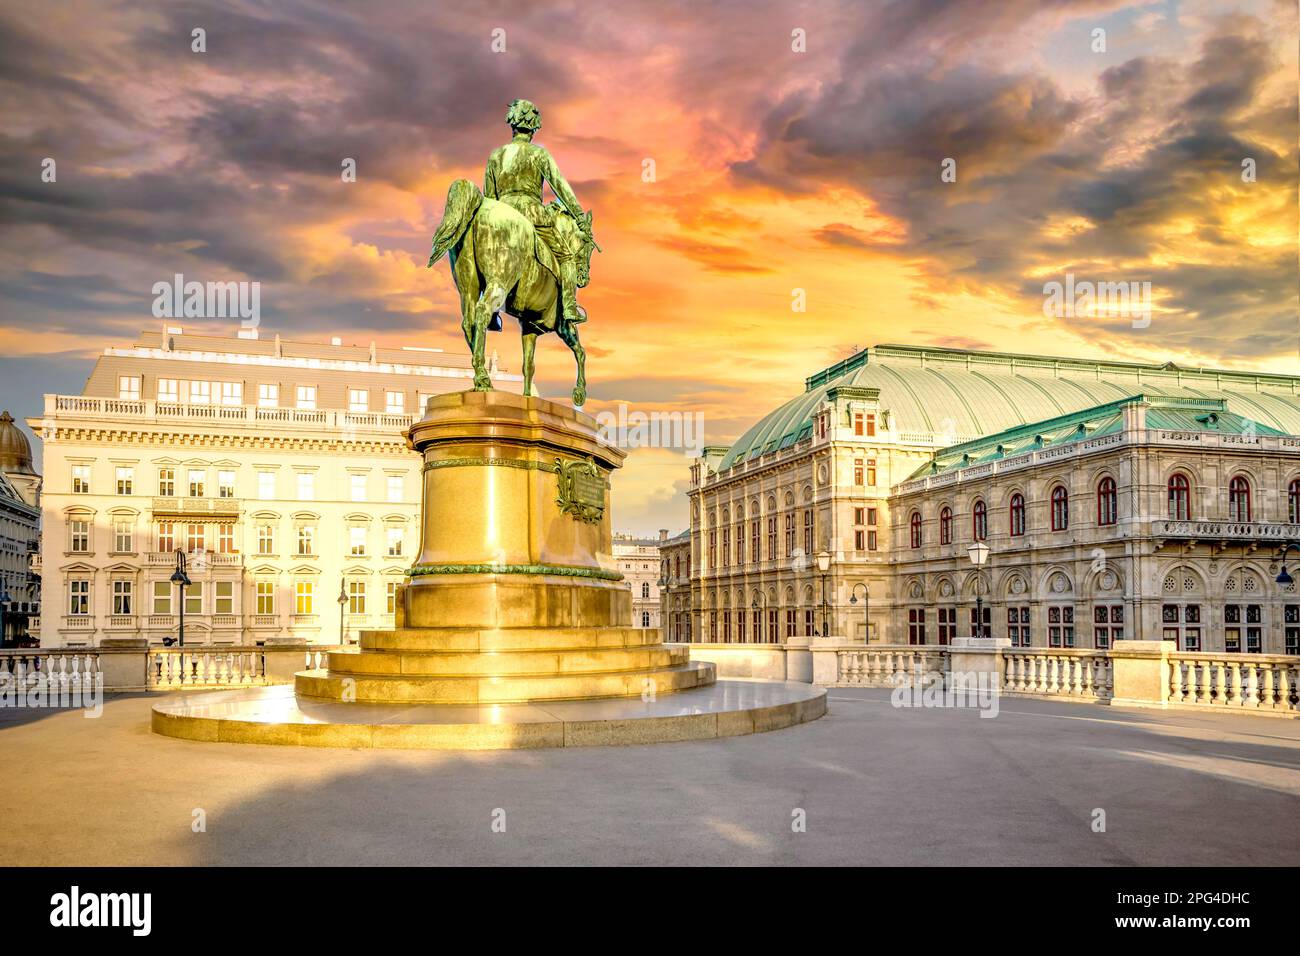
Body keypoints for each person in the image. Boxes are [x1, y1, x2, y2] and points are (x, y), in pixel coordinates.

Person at [484, 99, 591, 325]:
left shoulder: (495, 155)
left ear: (512, 125)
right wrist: (580, 217)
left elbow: (489, 197)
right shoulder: (538, 154)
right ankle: (570, 307)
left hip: (499, 212)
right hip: (531, 212)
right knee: (567, 256)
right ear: (533, 127)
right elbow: (560, 186)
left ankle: (490, 307)